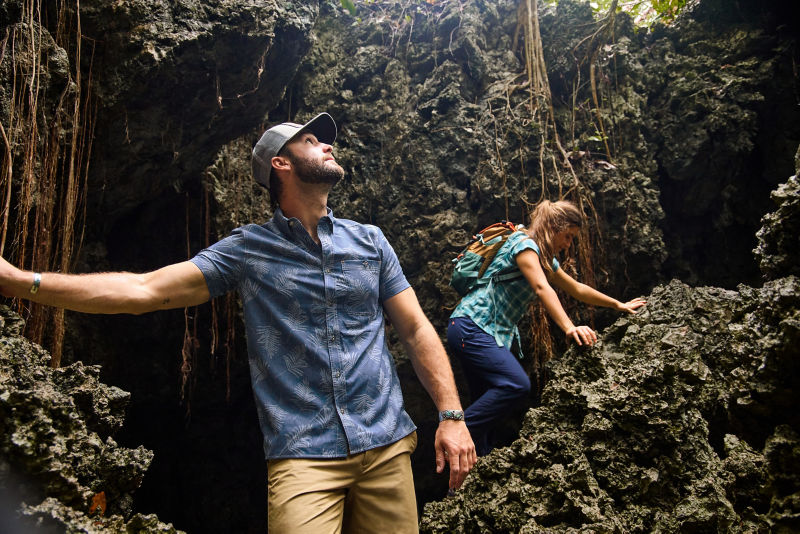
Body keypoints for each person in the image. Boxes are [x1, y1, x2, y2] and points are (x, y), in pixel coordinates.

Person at [0, 112, 476, 533]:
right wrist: (24, 282)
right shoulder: (247, 250)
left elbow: (415, 330)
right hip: (303, 456)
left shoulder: (371, 241)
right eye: (311, 141)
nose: (327, 145)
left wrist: (451, 416)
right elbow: (143, 291)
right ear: (280, 164)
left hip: (386, 445)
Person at [446, 200, 646, 456]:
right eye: (568, 236)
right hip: (472, 326)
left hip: (473, 330)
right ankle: (456, 433)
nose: (568, 244)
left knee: (486, 418)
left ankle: (467, 482)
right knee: (515, 385)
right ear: (553, 227)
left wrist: (618, 304)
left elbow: (576, 288)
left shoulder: (542, 257)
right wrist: (569, 327)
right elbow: (542, 288)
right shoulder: (524, 244)